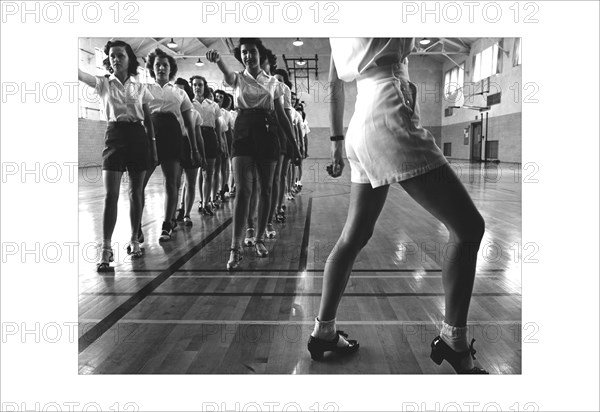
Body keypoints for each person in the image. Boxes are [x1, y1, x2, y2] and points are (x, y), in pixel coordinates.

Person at [308, 38, 488, 374]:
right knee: (468, 228)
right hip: (390, 112)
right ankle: (455, 341)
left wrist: (335, 141)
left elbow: (333, 83)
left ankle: (324, 332)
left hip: (360, 122)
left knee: (355, 235)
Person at [205, 38, 296, 270]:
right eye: (244, 52)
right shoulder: (237, 78)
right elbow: (226, 74)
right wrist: (218, 62)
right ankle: (235, 247)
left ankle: (259, 239)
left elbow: (281, 115)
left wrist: (293, 143)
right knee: (244, 190)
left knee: (265, 188)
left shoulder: (273, 82)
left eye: (252, 52)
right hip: (244, 131)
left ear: (260, 54)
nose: (248, 56)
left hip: (267, 133)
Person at [78, 40, 156, 270]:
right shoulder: (103, 84)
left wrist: (153, 147)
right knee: (110, 195)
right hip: (114, 136)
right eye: (112, 55)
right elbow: (82, 75)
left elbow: (149, 119)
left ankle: (134, 239)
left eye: (120, 55)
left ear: (128, 58)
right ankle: (106, 248)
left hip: (138, 137)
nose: (116, 59)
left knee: (135, 192)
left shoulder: (141, 87)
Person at [142, 49, 200, 242]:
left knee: (172, 181)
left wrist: (194, 149)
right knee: (139, 183)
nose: (161, 68)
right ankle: (136, 227)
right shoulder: (144, 89)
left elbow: (190, 124)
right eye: (157, 64)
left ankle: (168, 223)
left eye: (165, 65)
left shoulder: (180, 92)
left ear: (171, 69)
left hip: (172, 134)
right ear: (152, 68)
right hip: (150, 132)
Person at [174, 78, 207, 226]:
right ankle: (172, 216)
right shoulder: (169, 110)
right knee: (173, 183)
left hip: (189, 146)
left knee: (191, 182)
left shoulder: (194, 114)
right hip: (175, 145)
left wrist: (202, 155)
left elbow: (199, 137)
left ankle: (186, 214)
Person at [190, 76, 221, 216]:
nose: (197, 87)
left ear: (204, 86)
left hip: (209, 136)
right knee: (195, 173)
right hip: (195, 136)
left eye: (200, 85)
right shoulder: (188, 104)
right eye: (195, 85)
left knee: (208, 172)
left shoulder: (213, 105)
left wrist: (220, 140)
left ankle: (206, 202)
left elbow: (218, 125)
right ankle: (188, 206)